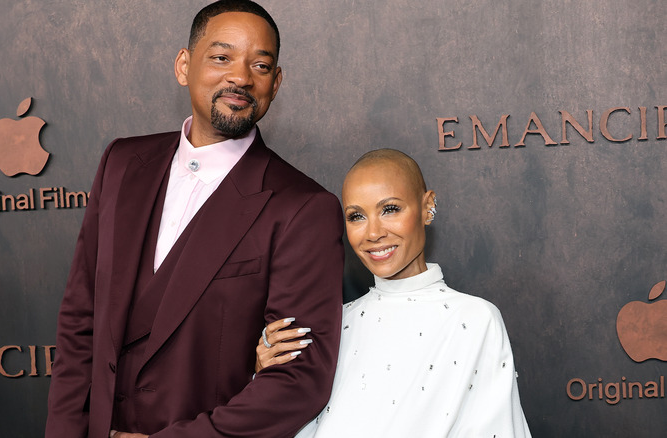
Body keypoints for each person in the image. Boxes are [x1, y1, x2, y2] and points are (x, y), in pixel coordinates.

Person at [45, 1, 344, 437]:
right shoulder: (122, 162)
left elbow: (299, 382)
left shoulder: (303, 207)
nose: (240, 77)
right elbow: (80, 321)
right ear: (184, 65)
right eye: (221, 57)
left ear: (275, 83)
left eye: (260, 65)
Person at [257, 149, 532, 437]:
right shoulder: (335, 323)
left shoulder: (475, 319)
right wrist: (266, 376)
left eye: (390, 209)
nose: (373, 233)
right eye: (356, 216)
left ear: (427, 207)